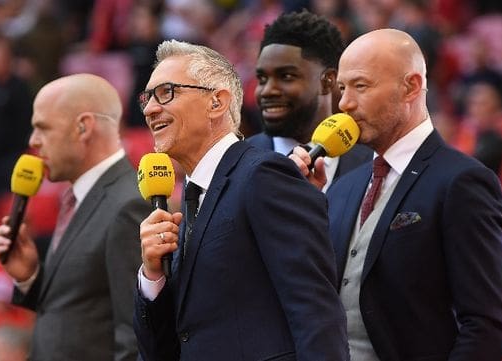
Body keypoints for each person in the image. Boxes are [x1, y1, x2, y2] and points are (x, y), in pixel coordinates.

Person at [291, 28, 502, 360]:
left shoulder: (462, 181)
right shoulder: (343, 187)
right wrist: (307, 209)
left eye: (360, 86)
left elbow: (487, 326)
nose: (344, 103)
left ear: (410, 86)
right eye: (341, 88)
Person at [133, 40, 348, 360]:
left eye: (167, 93)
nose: (151, 108)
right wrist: (153, 277)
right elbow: (163, 348)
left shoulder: (264, 175)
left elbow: (314, 310)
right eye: (147, 97)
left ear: (217, 103)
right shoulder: (182, 204)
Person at [0, 73, 150, 360]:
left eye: (42, 128)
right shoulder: (78, 197)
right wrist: (30, 277)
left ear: (83, 127)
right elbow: (78, 309)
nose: (33, 141)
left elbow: (135, 335)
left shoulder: (128, 204)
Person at [248, 10, 371, 190]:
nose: (267, 91)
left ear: (328, 81)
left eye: (286, 76)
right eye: (262, 79)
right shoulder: (234, 163)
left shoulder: (371, 165)